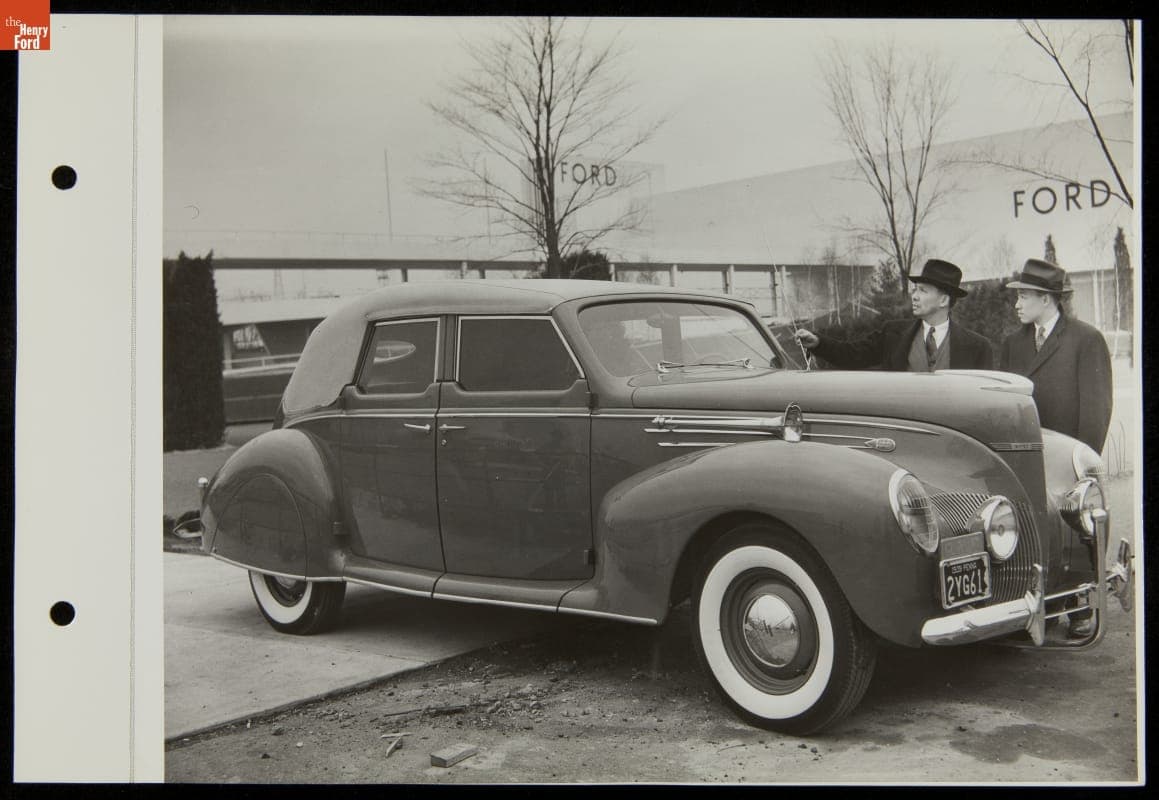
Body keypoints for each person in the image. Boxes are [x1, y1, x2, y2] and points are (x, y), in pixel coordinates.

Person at [999, 258, 1113, 640]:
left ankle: (1080, 608)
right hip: (1028, 457)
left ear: (1048, 299)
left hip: (1069, 462)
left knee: (1076, 532)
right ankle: (1045, 606)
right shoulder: (1013, 344)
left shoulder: (1085, 339)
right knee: (1036, 532)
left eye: (1024, 296)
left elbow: (1096, 409)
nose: (1016, 304)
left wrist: (1082, 468)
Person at [794, 259, 994, 371]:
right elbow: (852, 354)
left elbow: (985, 403)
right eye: (915, 290)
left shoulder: (978, 348)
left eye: (923, 291)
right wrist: (818, 343)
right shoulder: (892, 333)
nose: (914, 296)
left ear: (943, 300)